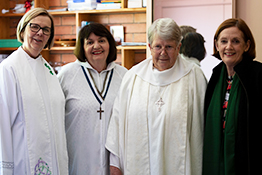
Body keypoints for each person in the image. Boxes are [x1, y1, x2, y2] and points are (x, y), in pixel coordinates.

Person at [106, 18, 207, 175]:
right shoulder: (133, 77)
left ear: (179, 47)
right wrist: (115, 164)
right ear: (149, 47)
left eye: (169, 47)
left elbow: (203, 130)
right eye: (158, 46)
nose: (163, 53)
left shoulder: (194, 77)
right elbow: (117, 122)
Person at [0, 8, 68, 174]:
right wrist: (6, 167)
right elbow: (2, 124)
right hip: (22, 160)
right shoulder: (9, 69)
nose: (40, 33)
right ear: (22, 30)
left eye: (46, 30)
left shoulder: (48, 70)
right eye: (34, 27)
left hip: (54, 157)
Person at [57, 22, 127, 175]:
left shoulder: (124, 76)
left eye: (101, 40)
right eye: (90, 42)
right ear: (82, 47)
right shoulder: (67, 74)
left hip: (114, 163)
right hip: (78, 160)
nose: (96, 46)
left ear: (110, 44)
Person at [202, 18, 262, 175]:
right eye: (223, 41)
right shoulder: (214, 77)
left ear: (246, 45)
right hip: (217, 161)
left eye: (235, 41)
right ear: (217, 45)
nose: (228, 47)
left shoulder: (258, 75)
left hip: (249, 164)